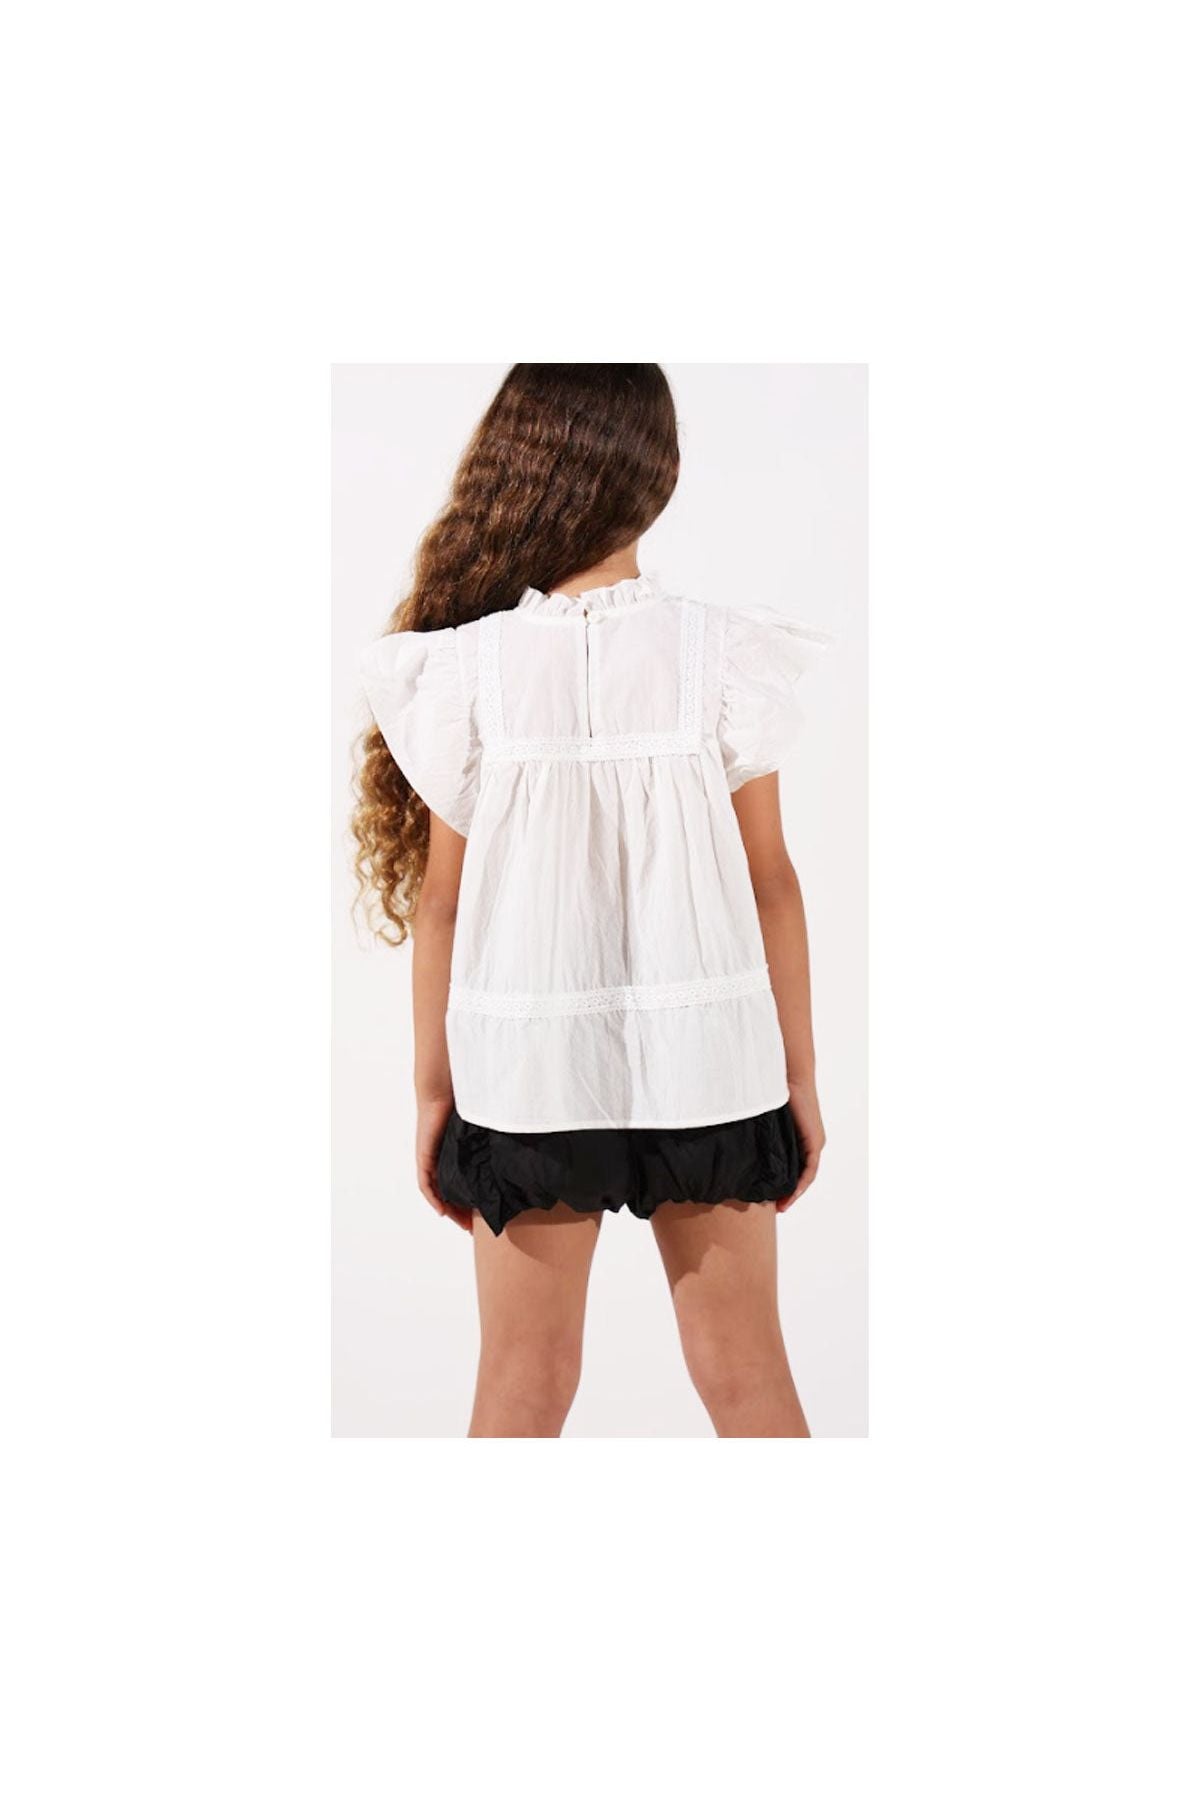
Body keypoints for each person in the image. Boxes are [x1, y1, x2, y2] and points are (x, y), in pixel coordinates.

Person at [354, 363, 830, 1438]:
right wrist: (796, 1078)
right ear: (660, 473)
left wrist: (434, 1094)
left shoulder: (470, 671)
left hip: (526, 1078)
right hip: (712, 1067)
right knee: (746, 1375)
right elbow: (772, 881)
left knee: (521, 1387)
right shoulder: (720, 655)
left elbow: (441, 907)